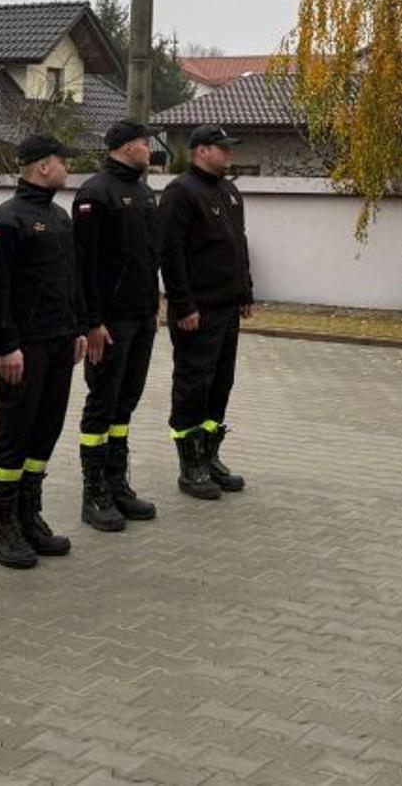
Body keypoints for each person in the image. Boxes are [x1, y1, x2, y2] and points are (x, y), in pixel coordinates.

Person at [0, 133, 88, 569]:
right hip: (24, 348)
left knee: (46, 430)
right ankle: (3, 528)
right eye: (63, 161)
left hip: (60, 341)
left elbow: (71, 280)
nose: (68, 168)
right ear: (43, 166)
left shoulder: (59, 217)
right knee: (16, 432)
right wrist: (6, 345)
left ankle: (29, 516)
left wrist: (78, 327)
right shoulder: (6, 220)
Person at [74, 120, 166, 530]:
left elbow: (149, 255)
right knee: (103, 402)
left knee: (125, 402)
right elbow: (85, 265)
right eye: (145, 143)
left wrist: (153, 308)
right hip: (109, 323)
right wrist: (92, 322)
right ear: (128, 147)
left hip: (141, 316)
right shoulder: (96, 193)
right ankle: (94, 492)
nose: (150, 149)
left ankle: (116, 484)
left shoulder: (144, 193)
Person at [159, 124, 256, 499]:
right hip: (197, 311)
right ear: (201, 150)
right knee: (193, 385)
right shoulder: (180, 192)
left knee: (220, 383)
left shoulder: (229, 191)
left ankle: (210, 455)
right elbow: (171, 254)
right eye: (222, 148)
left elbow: (238, 244)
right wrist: (183, 304)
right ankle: (190, 465)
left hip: (227, 307)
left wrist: (245, 290)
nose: (229, 153)